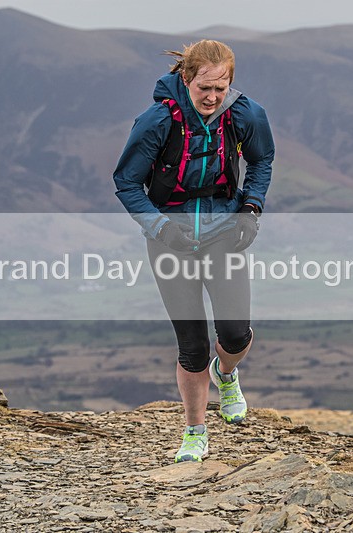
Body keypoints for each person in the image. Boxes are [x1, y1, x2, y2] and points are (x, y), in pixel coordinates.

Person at [113, 39, 274, 463]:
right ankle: (195, 432)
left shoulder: (245, 114)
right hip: (171, 236)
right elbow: (127, 182)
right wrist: (161, 227)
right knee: (192, 344)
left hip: (224, 230)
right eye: (204, 87)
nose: (212, 97)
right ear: (186, 79)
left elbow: (262, 161)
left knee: (236, 333)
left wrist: (251, 209)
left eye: (221, 88)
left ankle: (227, 374)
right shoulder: (156, 121)